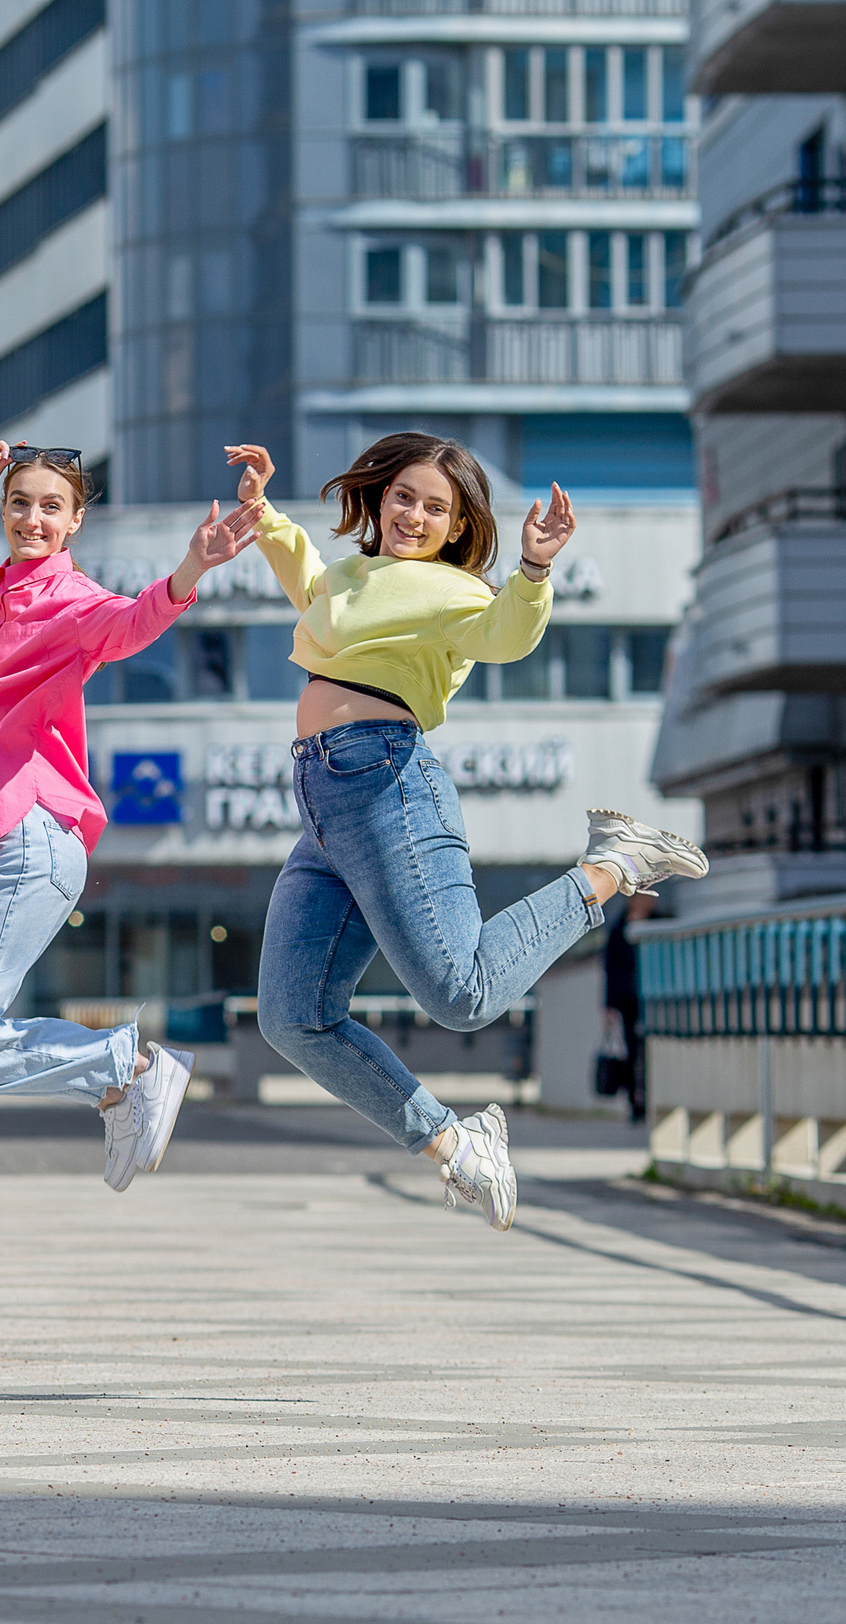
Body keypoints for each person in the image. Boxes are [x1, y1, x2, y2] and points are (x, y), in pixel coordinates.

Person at [228, 436, 706, 1232]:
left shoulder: (451, 590)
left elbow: (506, 635)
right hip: (324, 802)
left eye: (435, 508)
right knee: (290, 1015)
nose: (414, 515)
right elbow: (309, 581)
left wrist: (535, 567)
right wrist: (264, 513)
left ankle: (609, 867)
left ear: (457, 527)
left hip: (388, 786)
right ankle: (455, 1142)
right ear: (380, 498)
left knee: (464, 994)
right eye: (403, 496)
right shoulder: (351, 577)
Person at [0, 441, 259, 1190]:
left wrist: (191, 569)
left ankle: (126, 1069)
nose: (32, 519)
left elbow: (132, 623)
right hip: (18, 845)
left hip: (38, 834)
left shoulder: (73, 602)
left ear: (75, 521)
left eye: (52, 507)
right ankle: (115, 1089)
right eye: (19, 502)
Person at [600, 889, 654, 1123]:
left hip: (653, 998)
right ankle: (635, 1102)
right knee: (632, 1051)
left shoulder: (658, 922)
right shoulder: (618, 928)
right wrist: (608, 1005)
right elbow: (610, 969)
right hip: (627, 999)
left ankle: (650, 1098)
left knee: (651, 1050)